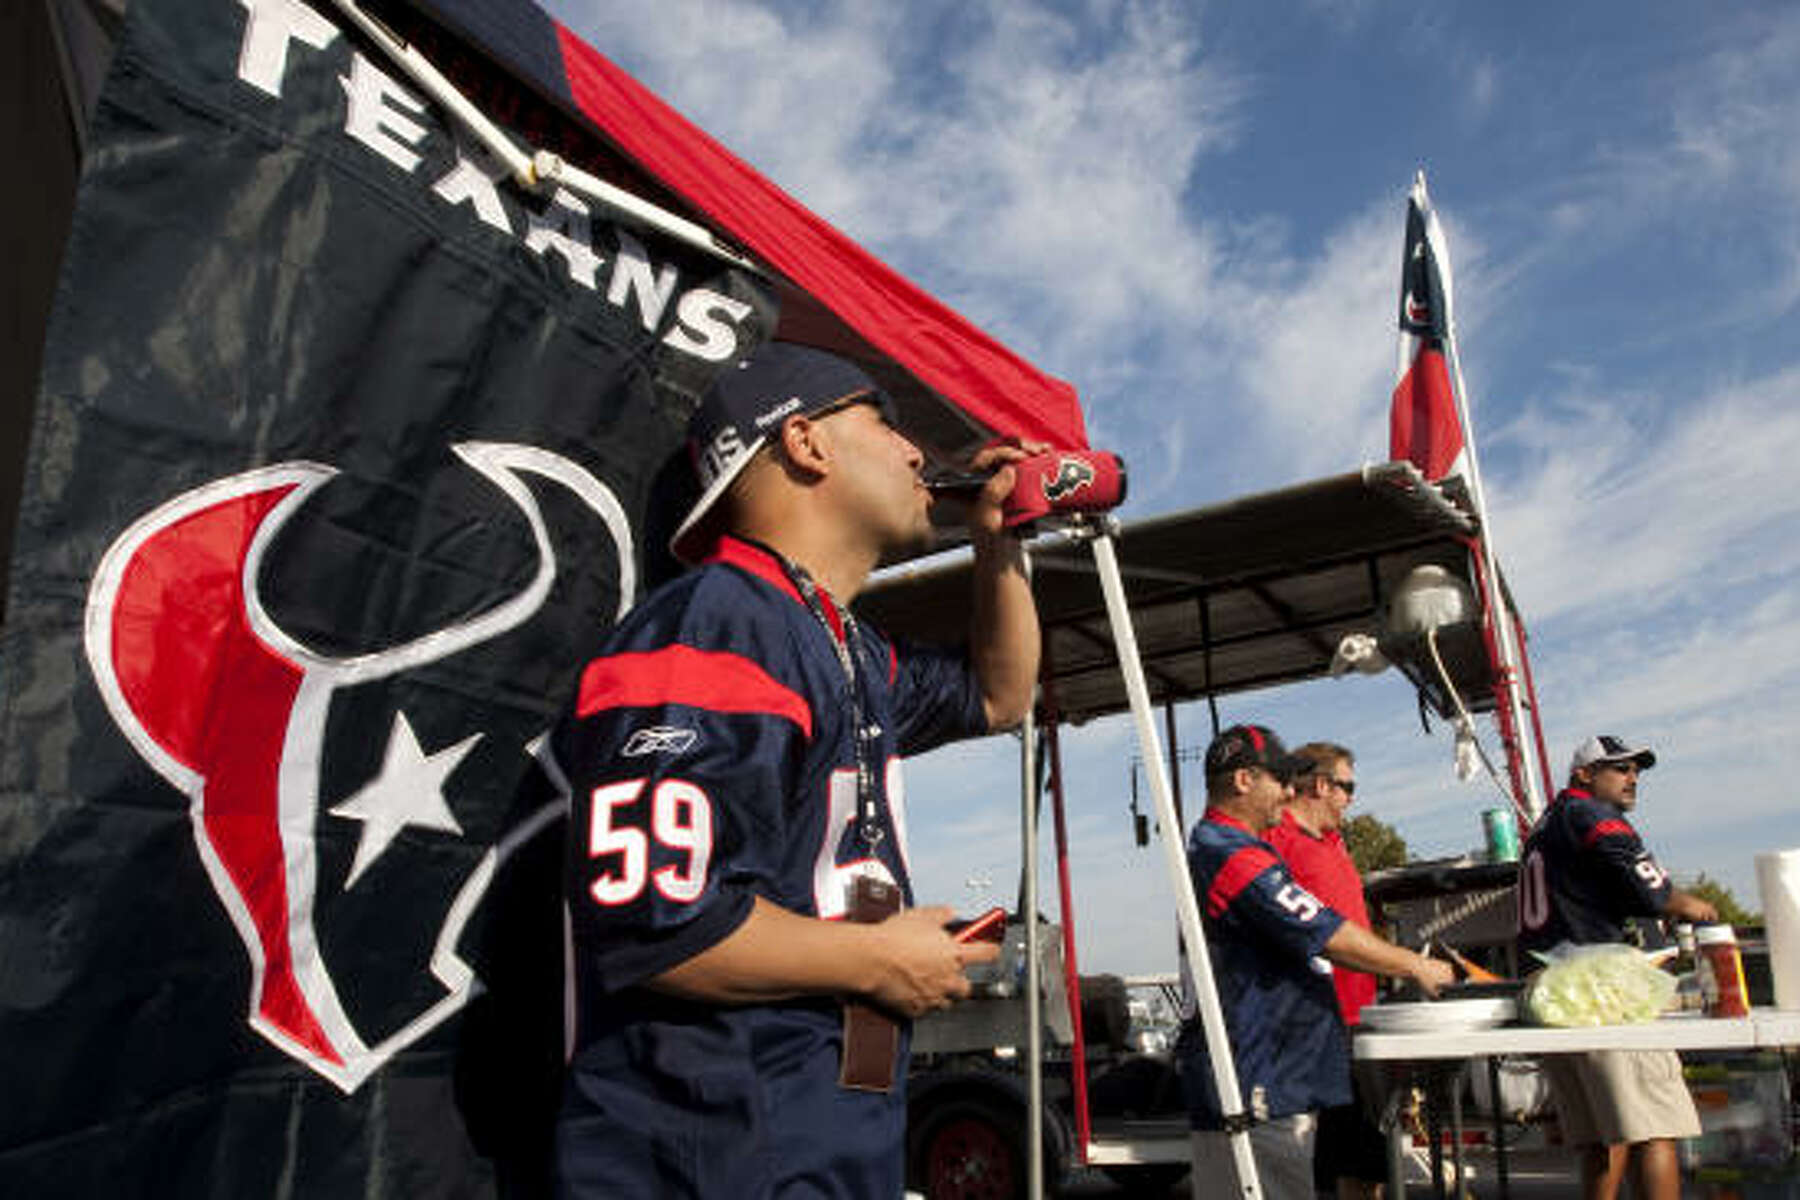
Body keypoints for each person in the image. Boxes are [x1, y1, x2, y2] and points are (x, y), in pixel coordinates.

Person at [552, 343, 1040, 1198]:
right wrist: (877, 959)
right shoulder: (711, 623)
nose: (917, 451)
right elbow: (655, 925)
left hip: (821, 1140)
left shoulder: (843, 641)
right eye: (886, 423)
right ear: (806, 443)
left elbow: (998, 696)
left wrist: (996, 548)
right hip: (710, 1152)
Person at [1177, 724, 1453, 1200]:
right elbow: (1323, 930)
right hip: (1255, 1079)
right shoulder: (1227, 852)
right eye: (1278, 779)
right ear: (1244, 780)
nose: (1288, 793)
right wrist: (1415, 965)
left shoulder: (1240, 847)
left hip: (1278, 1076)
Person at [1517, 735, 1718, 1200]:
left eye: (1636, 771)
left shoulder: (1545, 824)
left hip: (1552, 989)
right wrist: (1686, 903)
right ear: (1584, 774)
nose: (1632, 779)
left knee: (1604, 1136)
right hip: (1600, 987)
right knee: (1655, 1126)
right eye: (1619, 769)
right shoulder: (1591, 814)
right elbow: (1653, 891)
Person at [1267, 742, 1387, 1200]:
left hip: (1358, 1019)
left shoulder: (1333, 840)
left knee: (1365, 1157)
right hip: (1313, 1026)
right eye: (1347, 787)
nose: (1351, 798)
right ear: (1321, 785)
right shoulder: (1276, 844)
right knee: (1323, 1163)